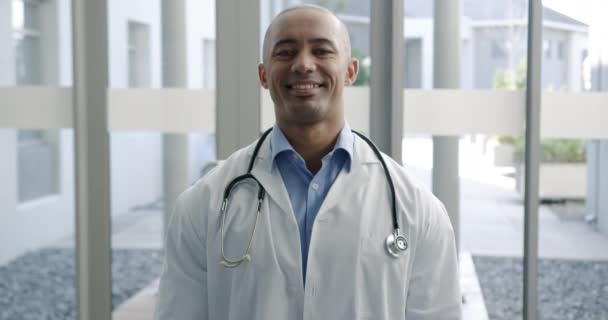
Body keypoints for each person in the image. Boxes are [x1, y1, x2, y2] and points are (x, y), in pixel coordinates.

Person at [155, 4, 461, 320]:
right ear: (263, 74)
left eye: (322, 51)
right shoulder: (202, 204)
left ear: (351, 71)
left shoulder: (418, 210)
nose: (303, 64)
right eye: (285, 53)